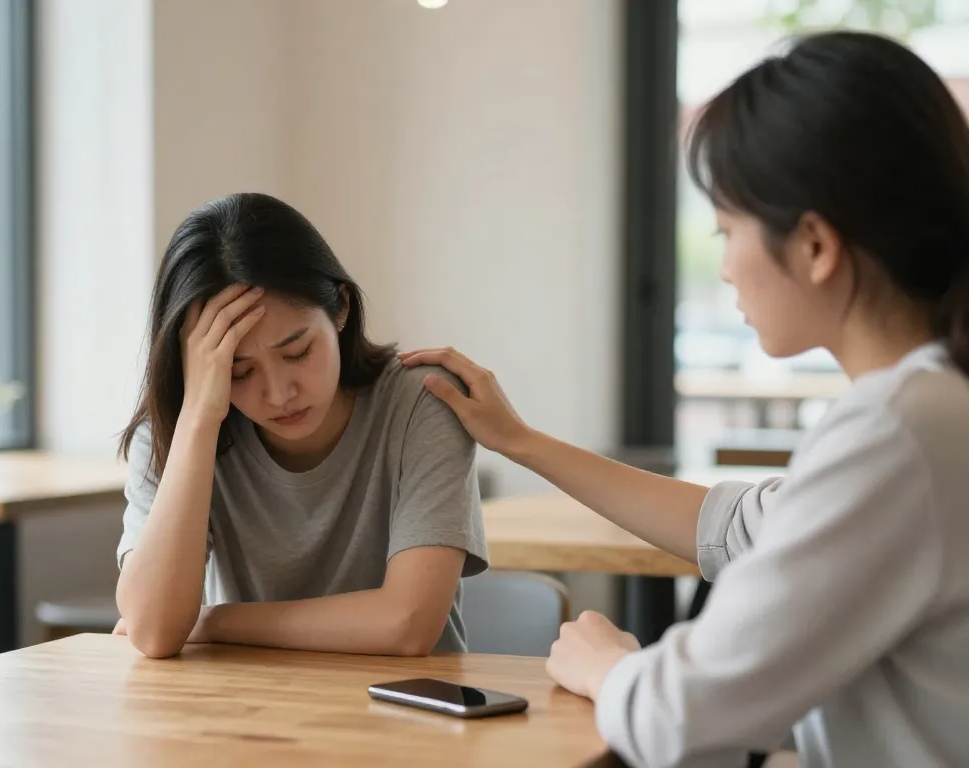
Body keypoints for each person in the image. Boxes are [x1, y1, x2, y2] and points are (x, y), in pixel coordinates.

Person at [400, 31, 969, 768]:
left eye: (728, 230)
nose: (725, 267)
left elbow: (682, 713)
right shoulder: (929, 408)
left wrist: (609, 664)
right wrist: (520, 440)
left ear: (816, 248)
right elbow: (731, 526)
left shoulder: (900, 430)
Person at [114, 192, 487, 660]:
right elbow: (152, 631)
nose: (278, 393)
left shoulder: (423, 401)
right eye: (239, 371)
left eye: (297, 352)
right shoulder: (177, 429)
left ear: (342, 308)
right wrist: (197, 420)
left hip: (407, 716)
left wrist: (212, 619)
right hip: (238, 719)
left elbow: (407, 625)